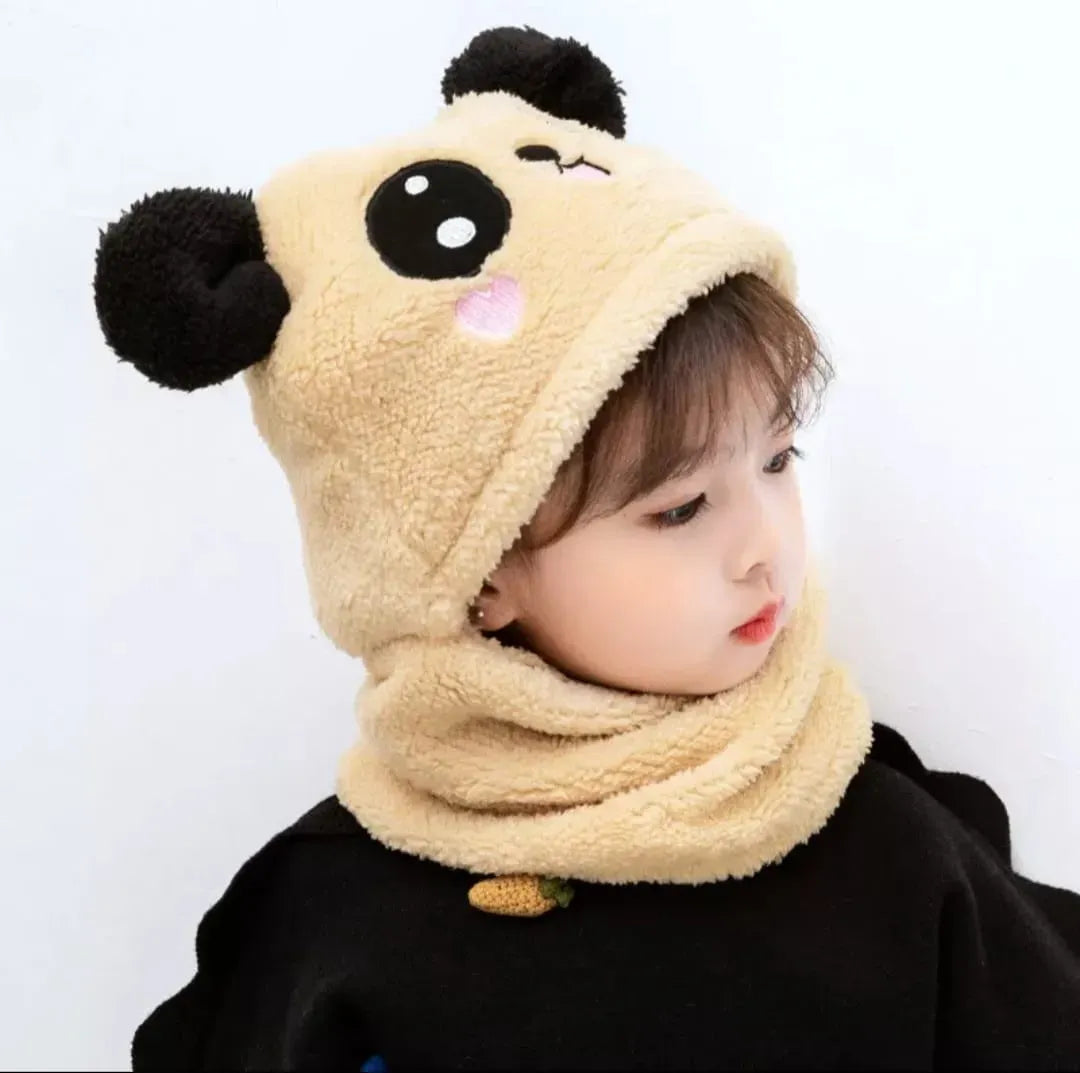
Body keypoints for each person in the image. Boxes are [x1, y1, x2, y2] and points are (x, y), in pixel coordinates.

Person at [93, 25, 1080, 1072]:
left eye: (778, 458)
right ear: (475, 573)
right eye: (680, 509)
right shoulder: (339, 921)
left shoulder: (879, 837)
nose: (766, 548)